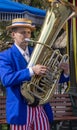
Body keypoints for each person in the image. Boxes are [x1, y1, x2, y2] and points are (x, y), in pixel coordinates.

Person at [0, 18, 69, 130]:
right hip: (20, 109)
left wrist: (64, 73)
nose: (27, 35)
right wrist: (31, 71)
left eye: (29, 32)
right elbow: (6, 79)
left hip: (40, 107)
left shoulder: (38, 52)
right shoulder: (5, 56)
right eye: (22, 32)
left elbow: (48, 79)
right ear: (13, 35)